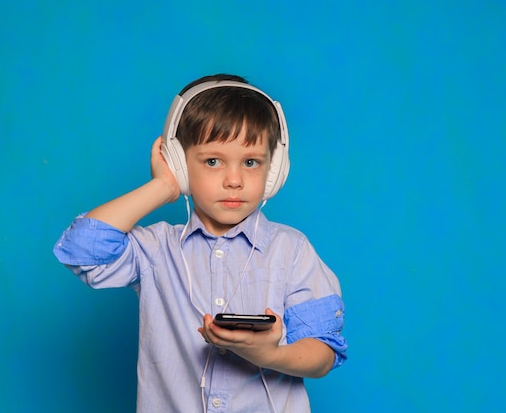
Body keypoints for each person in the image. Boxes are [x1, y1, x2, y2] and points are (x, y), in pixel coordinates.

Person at [53, 73, 347, 413]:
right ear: (179, 162)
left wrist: (269, 354)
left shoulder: (291, 250)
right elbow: (80, 249)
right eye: (212, 161)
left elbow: (323, 353)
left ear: (275, 169)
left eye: (251, 162)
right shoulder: (156, 248)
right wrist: (163, 187)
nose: (234, 180)